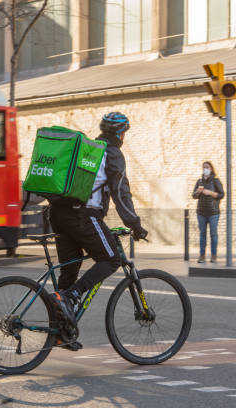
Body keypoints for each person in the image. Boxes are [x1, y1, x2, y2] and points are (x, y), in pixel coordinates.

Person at [48, 112, 148, 349]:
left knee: (69, 273)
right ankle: (72, 296)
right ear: (121, 133)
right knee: (111, 259)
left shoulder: (88, 150)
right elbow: (120, 192)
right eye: (125, 132)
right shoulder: (112, 154)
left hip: (58, 213)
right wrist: (134, 223)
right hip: (82, 214)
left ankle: (62, 333)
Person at [192, 161, 224, 263]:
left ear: (211, 169)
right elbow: (193, 196)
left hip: (213, 212)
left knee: (213, 234)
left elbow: (221, 195)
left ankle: (213, 256)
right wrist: (198, 192)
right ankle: (202, 256)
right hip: (201, 212)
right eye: (203, 167)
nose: (205, 169)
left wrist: (210, 193)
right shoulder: (199, 181)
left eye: (207, 167)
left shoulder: (216, 181)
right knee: (202, 234)